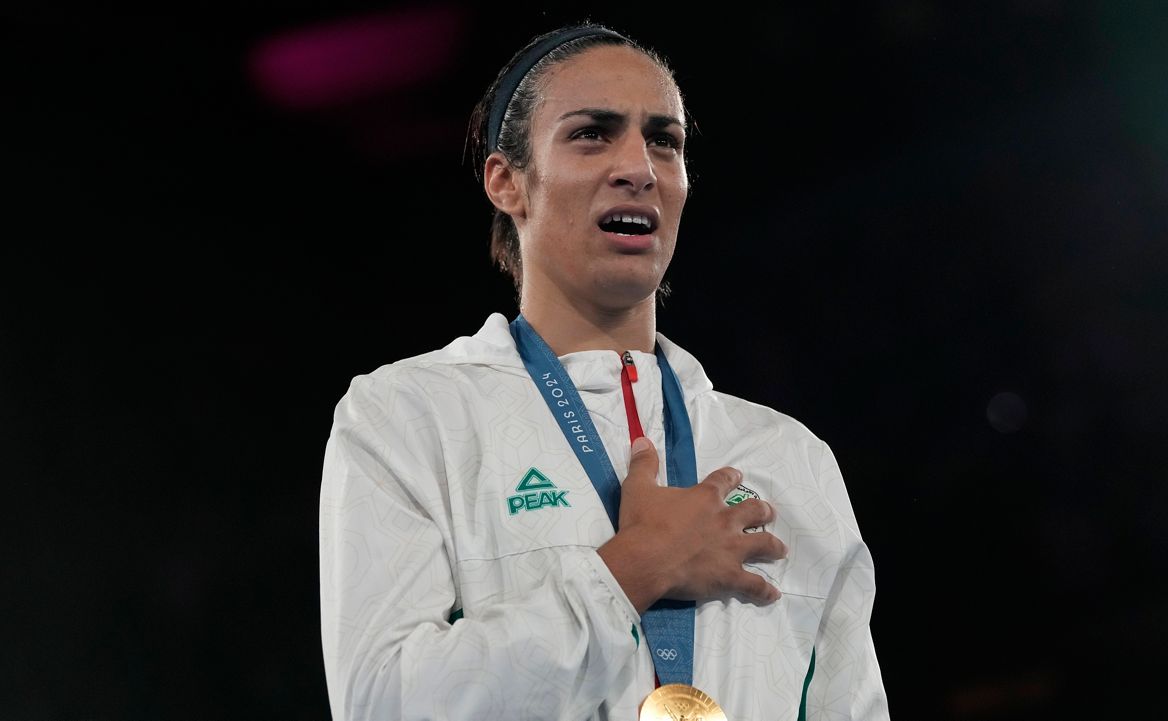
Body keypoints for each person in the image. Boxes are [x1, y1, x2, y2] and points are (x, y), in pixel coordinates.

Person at [319, 21, 889, 720]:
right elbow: (381, 704)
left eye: (664, 141)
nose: (639, 167)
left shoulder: (787, 457)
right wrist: (636, 568)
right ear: (507, 181)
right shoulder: (409, 415)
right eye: (592, 133)